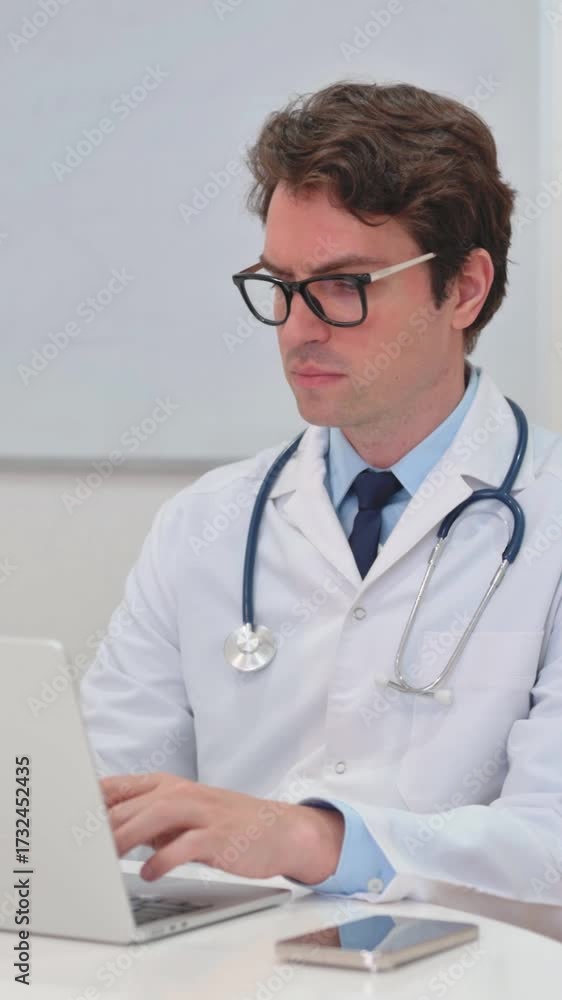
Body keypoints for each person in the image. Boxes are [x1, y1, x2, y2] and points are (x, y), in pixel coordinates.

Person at [80, 80, 562, 910]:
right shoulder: (204, 525)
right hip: (227, 967)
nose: (298, 327)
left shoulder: (546, 516)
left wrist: (317, 841)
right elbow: (98, 811)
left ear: (464, 289)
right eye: (281, 284)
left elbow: (551, 845)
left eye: (346, 285)